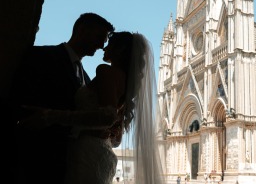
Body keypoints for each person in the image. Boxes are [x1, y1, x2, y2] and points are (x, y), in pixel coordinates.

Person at [18, 31, 161, 184]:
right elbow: (115, 134)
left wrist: (51, 116)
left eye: (109, 45)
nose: (104, 48)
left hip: (87, 151)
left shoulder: (106, 71)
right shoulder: (125, 81)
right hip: (102, 151)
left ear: (119, 50)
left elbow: (107, 116)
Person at [9, 12, 114, 184]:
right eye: (99, 37)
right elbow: (23, 105)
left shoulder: (86, 78)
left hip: (68, 165)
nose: (102, 45)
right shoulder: (42, 57)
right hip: (35, 159)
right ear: (82, 30)